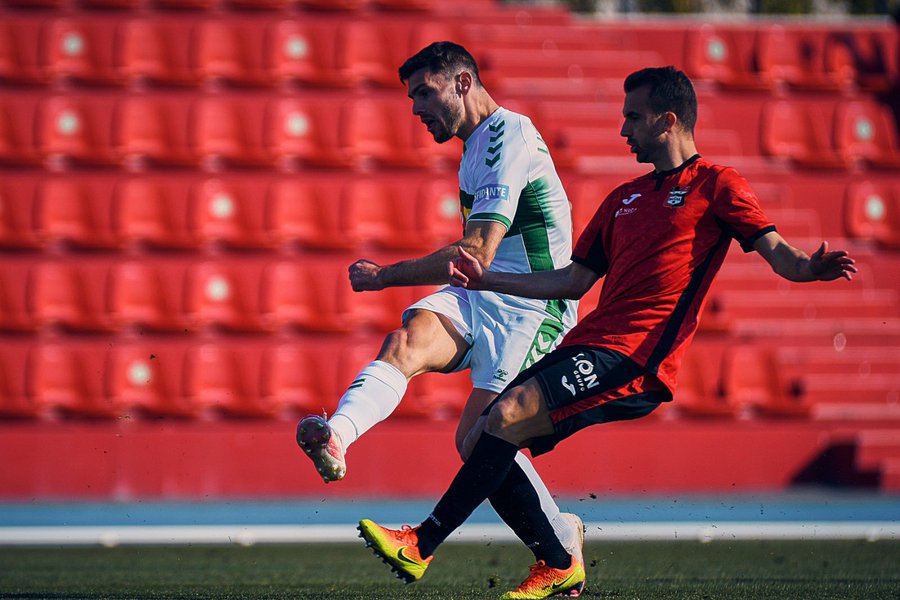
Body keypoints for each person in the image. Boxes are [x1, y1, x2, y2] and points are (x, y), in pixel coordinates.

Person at [357, 65, 857, 600]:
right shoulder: (623, 198)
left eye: (633, 118)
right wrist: (489, 279)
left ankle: (423, 543)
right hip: (589, 342)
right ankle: (557, 562)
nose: (623, 130)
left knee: (504, 416)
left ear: (668, 121)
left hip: (637, 356)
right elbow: (572, 282)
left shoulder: (717, 185)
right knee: (483, 436)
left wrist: (809, 268)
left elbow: (781, 256)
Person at [295, 41, 585, 580]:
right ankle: (337, 435)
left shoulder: (507, 138)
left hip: (533, 307)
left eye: (424, 93)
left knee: (478, 440)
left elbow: (475, 254)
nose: (415, 109)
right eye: (410, 98)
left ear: (463, 82)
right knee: (405, 340)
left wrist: (385, 276)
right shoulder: (475, 145)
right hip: (485, 295)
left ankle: (560, 548)